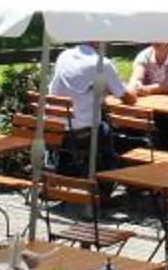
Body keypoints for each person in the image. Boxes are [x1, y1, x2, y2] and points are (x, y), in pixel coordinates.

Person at [48, 39, 129, 173]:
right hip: (80, 133)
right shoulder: (102, 63)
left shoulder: (64, 56)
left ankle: (66, 169)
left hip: (54, 128)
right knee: (106, 130)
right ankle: (105, 176)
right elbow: (126, 97)